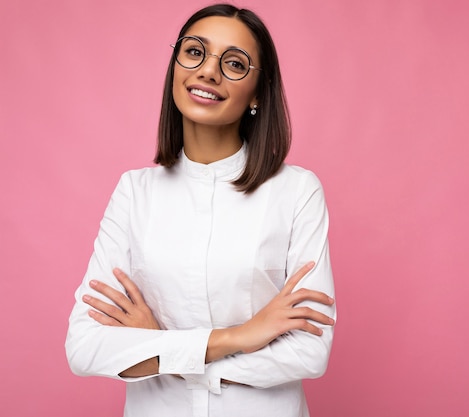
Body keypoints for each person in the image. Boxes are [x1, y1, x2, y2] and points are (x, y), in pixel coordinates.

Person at [65, 4, 336, 417]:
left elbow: (308, 352)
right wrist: (239, 337)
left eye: (234, 63)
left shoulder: (296, 191)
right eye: (195, 52)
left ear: (259, 94)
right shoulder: (135, 192)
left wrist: (161, 349)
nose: (208, 71)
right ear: (176, 65)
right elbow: (84, 347)